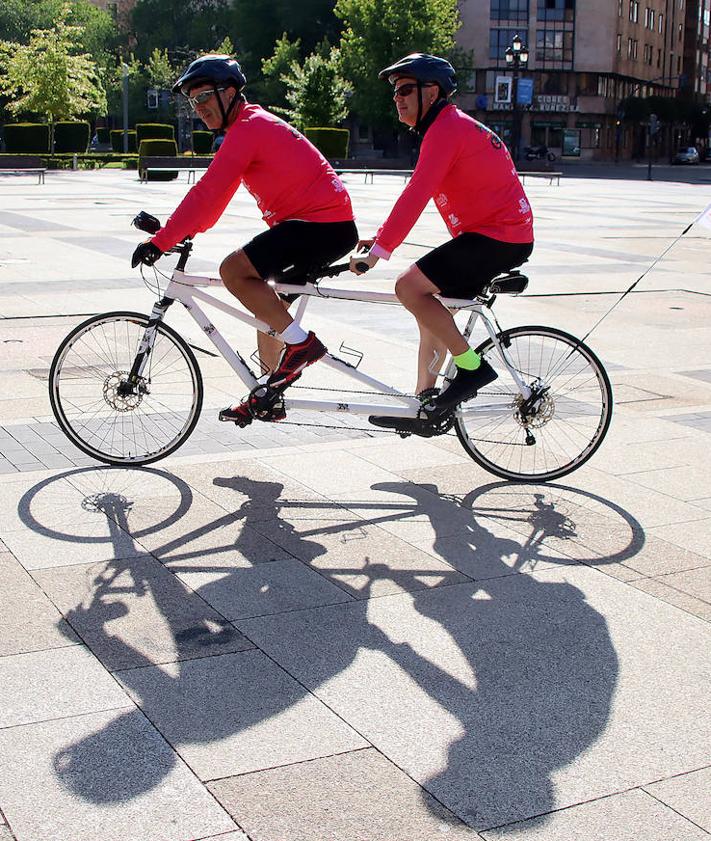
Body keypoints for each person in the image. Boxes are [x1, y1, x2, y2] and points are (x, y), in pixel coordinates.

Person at [131, 54, 358, 426]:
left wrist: (162, 241)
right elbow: (214, 202)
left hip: (318, 226)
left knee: (234, 271)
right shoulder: (250, 127)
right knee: (268, 307)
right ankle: (269, 395)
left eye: (204, 96)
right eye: (193, 101)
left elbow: (208, 192)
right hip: (320, 226)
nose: (198, 107)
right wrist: (176, 232)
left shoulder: (248, 129)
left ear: (230, 92)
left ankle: (302, 347)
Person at [350, 53, 534, 428]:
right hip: (498, 235)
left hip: (498, 237)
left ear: (431, 92)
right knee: (431, 317)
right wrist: (380, 238)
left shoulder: (446, 130)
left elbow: (417, 192)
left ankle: (471, 369)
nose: (397, 98)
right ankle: (426, 409)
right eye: (395, 92)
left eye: (404, 89)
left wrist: (380, 252)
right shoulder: (451, 126)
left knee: (408, 288)